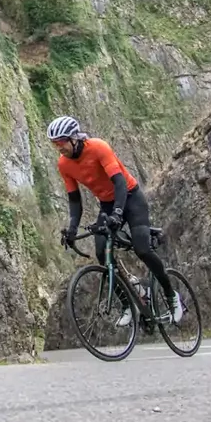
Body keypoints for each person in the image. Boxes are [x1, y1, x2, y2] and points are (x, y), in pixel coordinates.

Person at [48, 115, 184, 325]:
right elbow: (75, 200)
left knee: (142, 249)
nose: (59, 147)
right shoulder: (64, 164)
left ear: (74, 138)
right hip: (107, 203)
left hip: (130, 197)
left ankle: (170, 295)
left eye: (61, 142)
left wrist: (118, 214)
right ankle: (129, 303)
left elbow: (119, 183)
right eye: (54, 144)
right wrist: (72, 229)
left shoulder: (98, 148)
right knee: (103, 254)